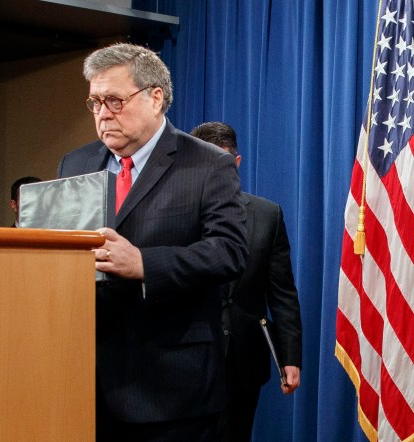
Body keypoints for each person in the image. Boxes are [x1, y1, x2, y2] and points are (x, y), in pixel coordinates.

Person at [57, 43, 248, 440]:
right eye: (95, 102)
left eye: (114, 100)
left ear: (155, 97)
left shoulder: (208, 163)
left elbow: (229, 252)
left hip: (171, 389)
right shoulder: (74, 164)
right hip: (83, 385)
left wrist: (145, 264)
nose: (103, 113)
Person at [190, 121, 302, 442]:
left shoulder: (268, 215)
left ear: (236, 163)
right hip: (190, 359)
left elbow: (283, 294)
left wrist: (290, 356)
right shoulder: (177, 213)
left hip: (243, 362)